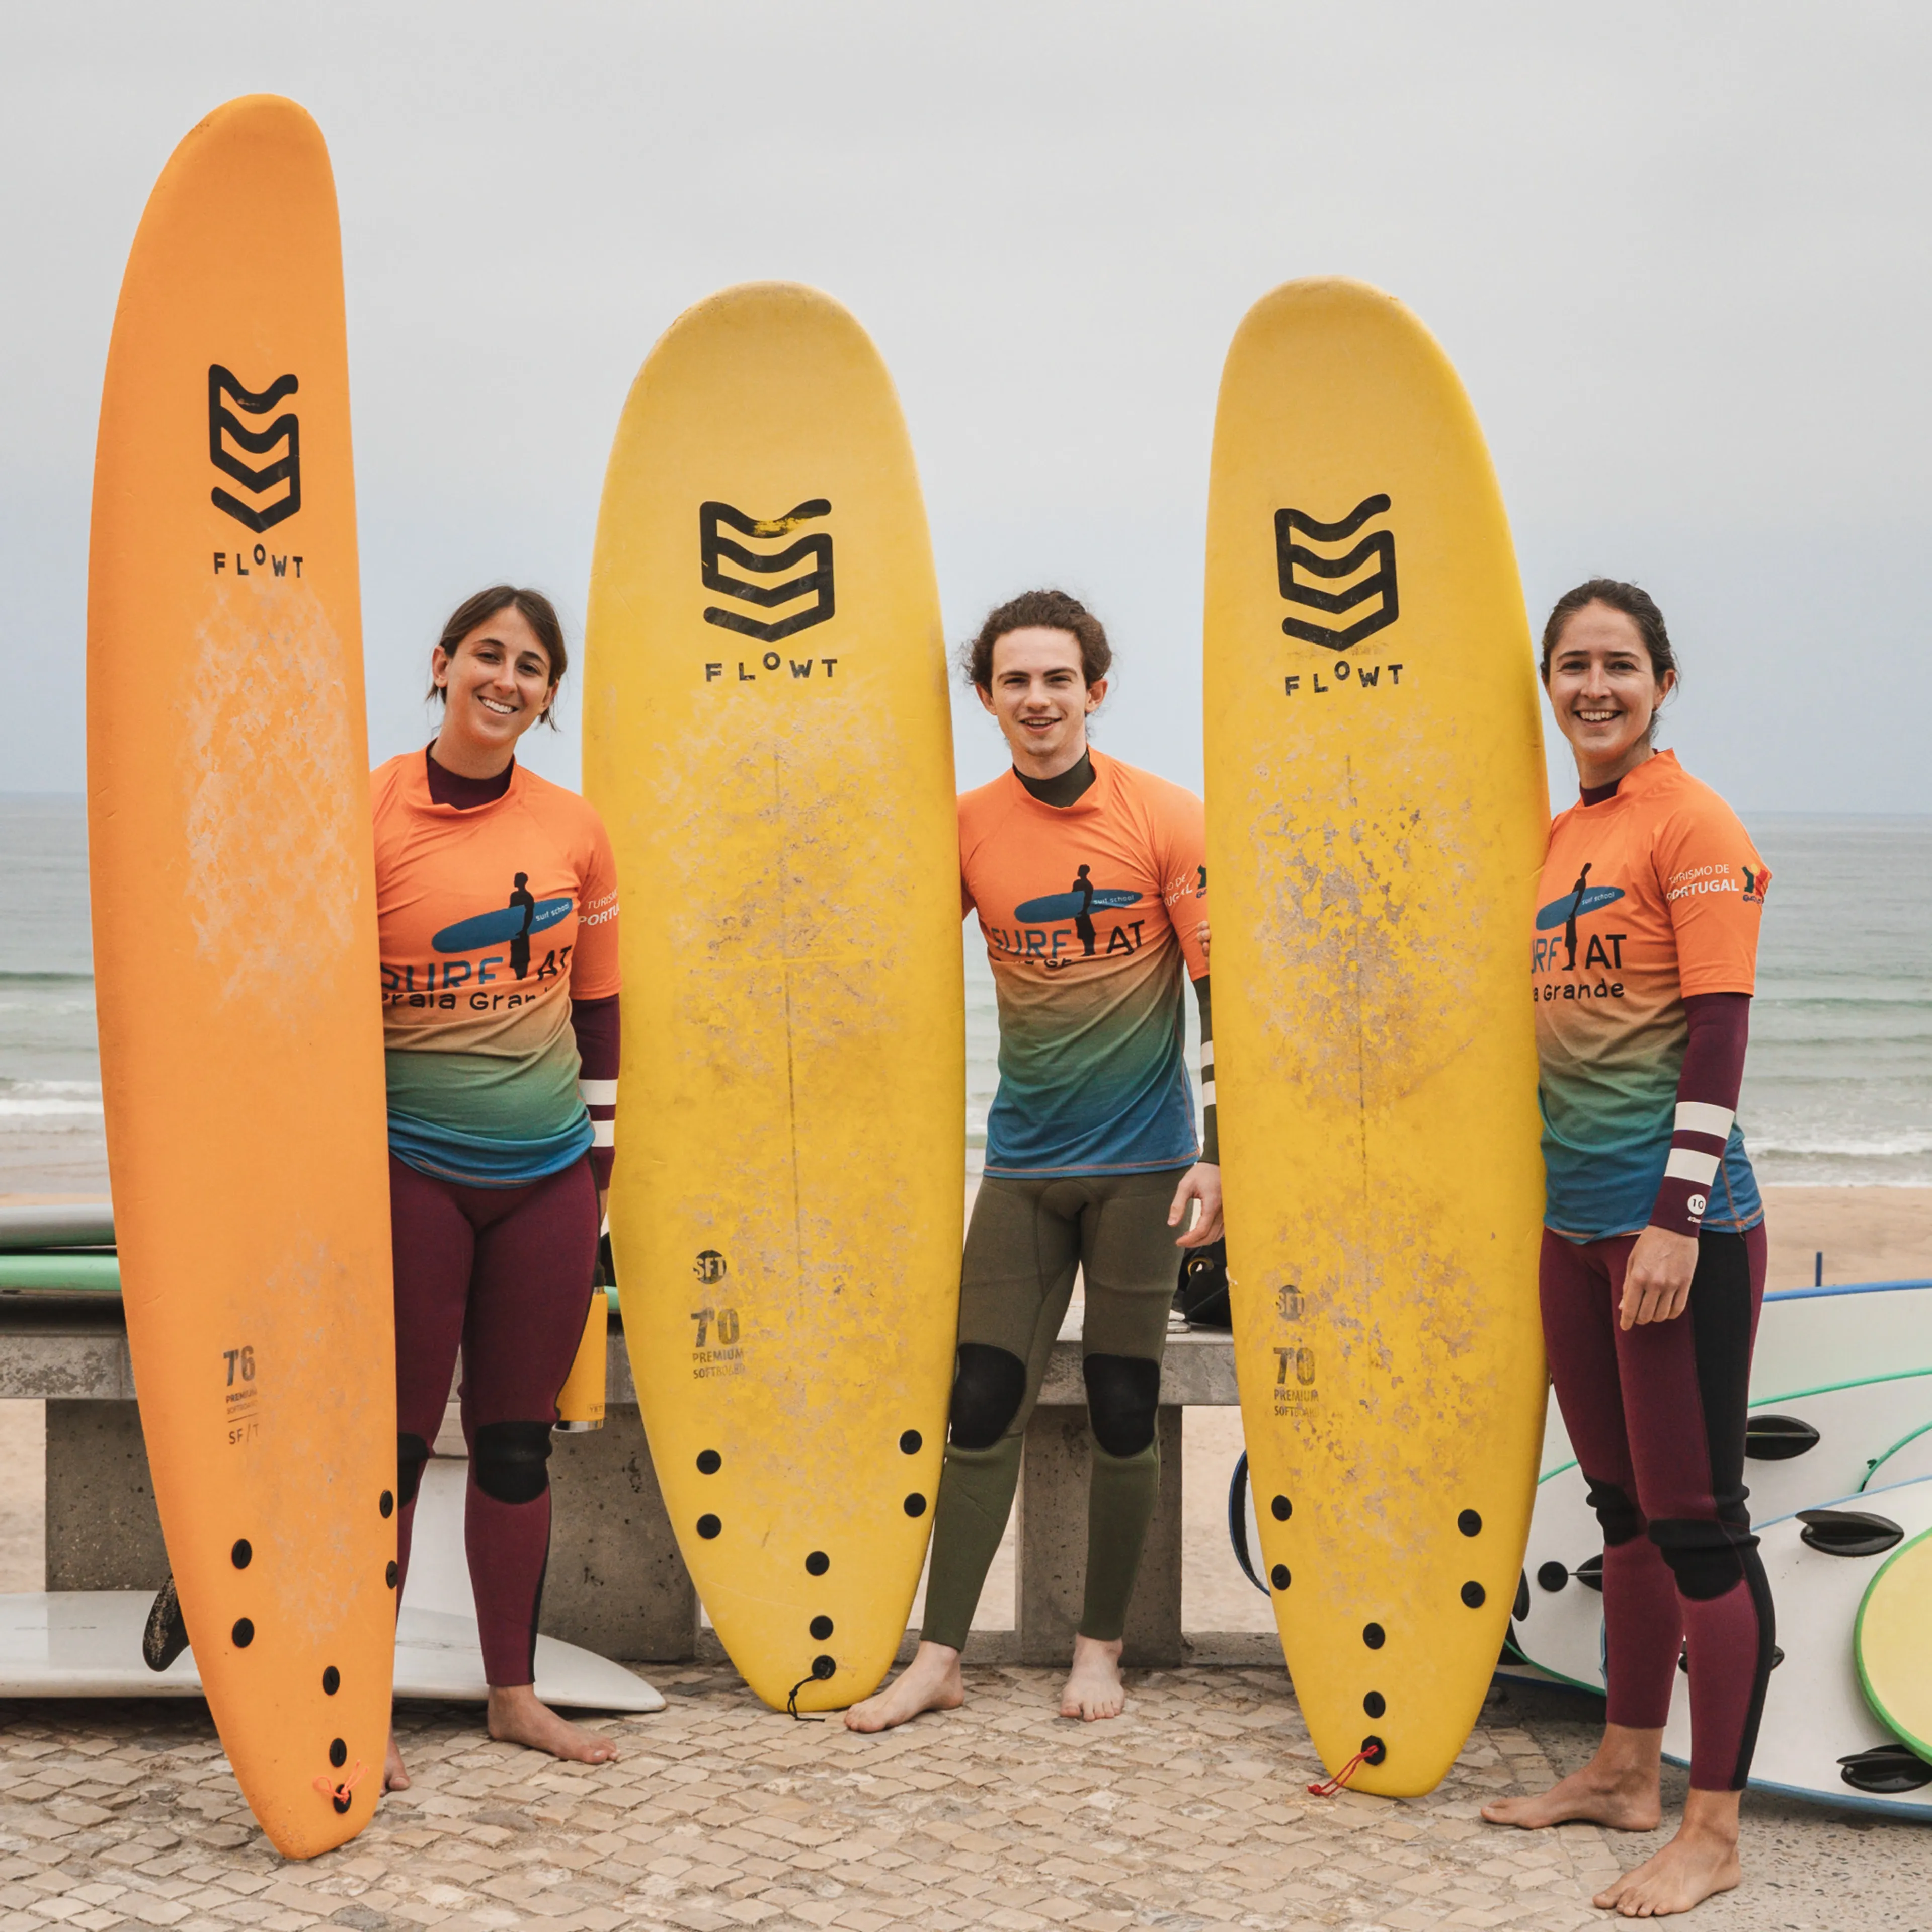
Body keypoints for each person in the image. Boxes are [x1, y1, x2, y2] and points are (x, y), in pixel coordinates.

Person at [847, 588, 1219, 1732]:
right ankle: (940, 1654)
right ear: (987, 697)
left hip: (1147, 1166)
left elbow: (1227, 1004)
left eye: (1059, 679)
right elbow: (890, 969)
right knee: (980, 1397)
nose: (1039, 699)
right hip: (1020, 1166)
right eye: (1016, 681)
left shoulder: (1166, 819)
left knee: (1120, 1402)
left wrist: (1221, 1158)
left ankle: (1098, 1651)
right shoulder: (963, 826)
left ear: (1095, 691)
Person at [1483, 581, 1773, 1919]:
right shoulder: (1557, 839)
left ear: (1661, 679)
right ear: (1547, 686)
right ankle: (1622, 1769)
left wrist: (1672, 1217)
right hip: (1573, 1226)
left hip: (1679, 1231)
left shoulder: (1693, 823)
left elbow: (1716, 1032)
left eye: (1617, 664)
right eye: (1570, 666)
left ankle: (1711, 1834)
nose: (1592, 687)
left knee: (1699, 1523)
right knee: (1619, 1513)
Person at [374, 586, 622, 1790]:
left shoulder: (574, 830)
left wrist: (599, 1174)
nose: (507, 679)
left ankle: (512, 1697)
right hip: (409, 1169)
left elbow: (602, 1010)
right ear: (441, 664)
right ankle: (348, 1700)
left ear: (549, 694)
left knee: (517, 1446)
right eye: (487, 654)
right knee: (396, 1446)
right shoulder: (364, 812)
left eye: (531, 666)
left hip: (546, 1180)